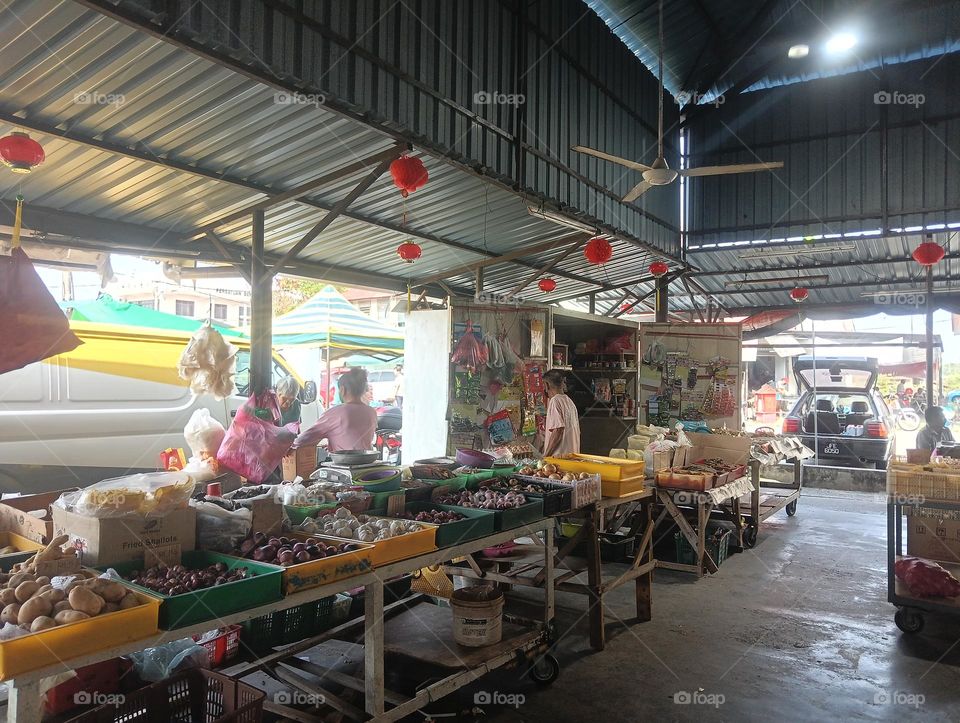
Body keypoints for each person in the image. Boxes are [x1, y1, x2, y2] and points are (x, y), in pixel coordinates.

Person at [294, 368, 378, 452]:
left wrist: (289, 441)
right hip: (367, 461)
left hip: (344, 462)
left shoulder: (335, 413)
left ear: (342, 390)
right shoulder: (371, 412)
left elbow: (304, 439)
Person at [542, 369, 580, 457]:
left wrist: (546, 455)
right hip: (572, 456)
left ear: (546, 385)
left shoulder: (555, 401)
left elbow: (558, 430)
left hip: (559, 458)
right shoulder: (570, 402)